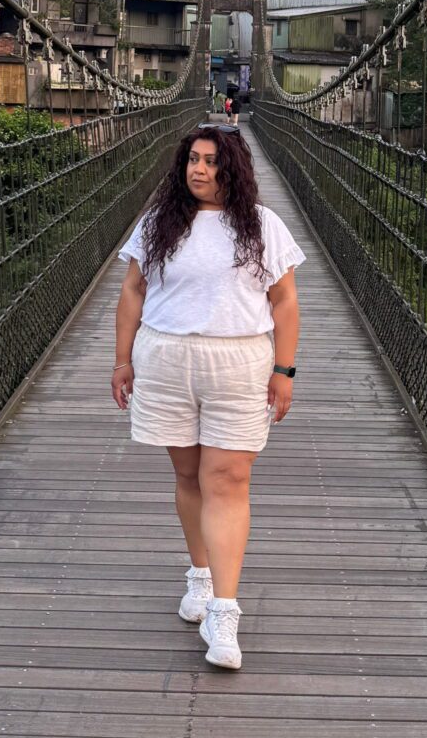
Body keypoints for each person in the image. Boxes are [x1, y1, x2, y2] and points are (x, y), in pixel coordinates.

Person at [111, 126, 304, 669]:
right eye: (193, 159)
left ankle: (224, 610)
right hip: (166, 358)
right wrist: (122, 360)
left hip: (239, 364)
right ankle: (199, 574)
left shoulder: (262, 225)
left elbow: (285, 302)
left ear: (232, 169)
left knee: (229, 478)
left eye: (212, 161)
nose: (199, 169)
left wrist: (284, 370)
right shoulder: (159, 222)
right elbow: (133, 290)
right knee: (189, 476)